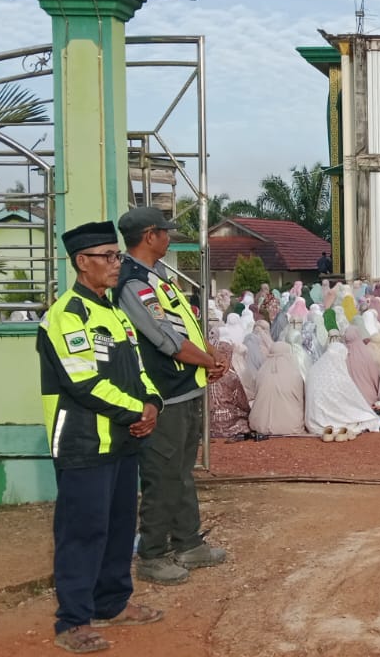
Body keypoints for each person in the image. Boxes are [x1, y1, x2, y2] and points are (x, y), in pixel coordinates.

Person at [37, 221, 164, 653]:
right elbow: (83, 382)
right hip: (83, 444)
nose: (116, 264)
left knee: (117, 526)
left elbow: (139, 371)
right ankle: (72, 621)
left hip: (122, 440)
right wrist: (137, 411)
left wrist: (152, 404)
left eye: (116, 256)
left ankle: (112, 601)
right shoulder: (65, 316)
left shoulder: (114, 313)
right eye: (107, 257)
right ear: (81, 262)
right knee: (82, 531)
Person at [115, 207, 229, 586]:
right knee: (161, 477)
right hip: (163, 395)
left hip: (186, 388)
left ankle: (188, 542)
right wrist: (208, 358)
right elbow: (165, 339)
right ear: (149, 236)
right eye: (164, 232)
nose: (169, 237)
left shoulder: (157, 278)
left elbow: (185, 328)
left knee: (181, 474)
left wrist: (208, 358)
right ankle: (152, 554)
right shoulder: (133, 283)